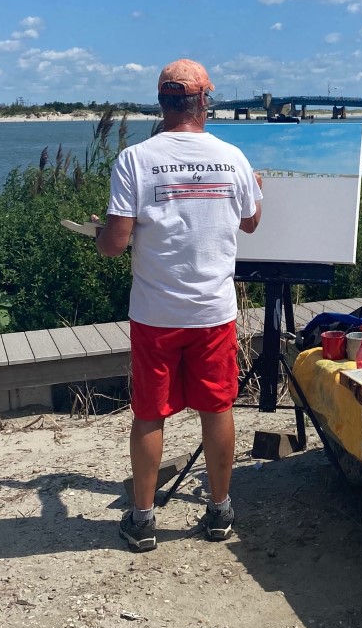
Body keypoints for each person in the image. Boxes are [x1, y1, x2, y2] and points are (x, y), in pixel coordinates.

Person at [94, 59, 263, 552]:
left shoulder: (135, 159)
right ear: (203, 100)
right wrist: (260, 194)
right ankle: (218, 513)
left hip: (155, 314)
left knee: (150, 413)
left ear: (162, 103)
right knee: (217, 407)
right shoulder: (232, 157)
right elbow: (250, 223)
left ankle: (143, 519)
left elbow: (113, 244)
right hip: (213, 312)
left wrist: (102, 231)